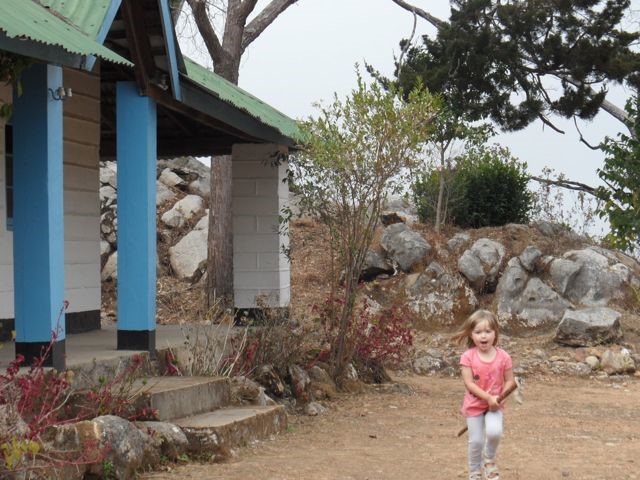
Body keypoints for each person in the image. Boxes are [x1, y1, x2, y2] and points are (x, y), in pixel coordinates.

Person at [452, 309, 516, 480]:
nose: (483, 336)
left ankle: (488, 460)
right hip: (474, 406)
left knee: (495, 432)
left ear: (495, 333)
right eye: (478, 332)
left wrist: (499, 397)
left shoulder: (503, 357)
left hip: (495, 405)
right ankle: (474, 472)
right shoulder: (468, 357)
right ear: (471, 335)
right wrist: (487, 397)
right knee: (476, 442)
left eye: (488, 331)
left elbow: (510, 380)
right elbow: (469, 383)